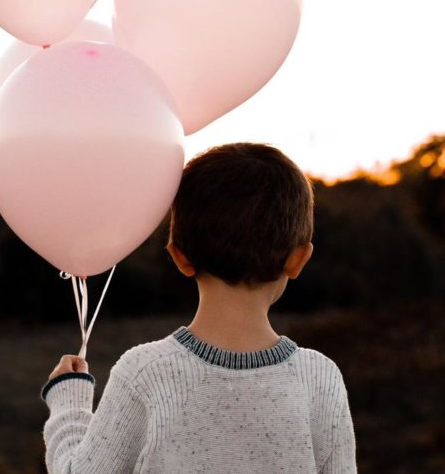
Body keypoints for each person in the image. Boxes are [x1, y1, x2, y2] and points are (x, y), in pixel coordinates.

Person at [41, 143, 356, 472]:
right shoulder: (320, 378)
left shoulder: (145, 373)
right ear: (298, 259)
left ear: (179, 257)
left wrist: (69, 404)